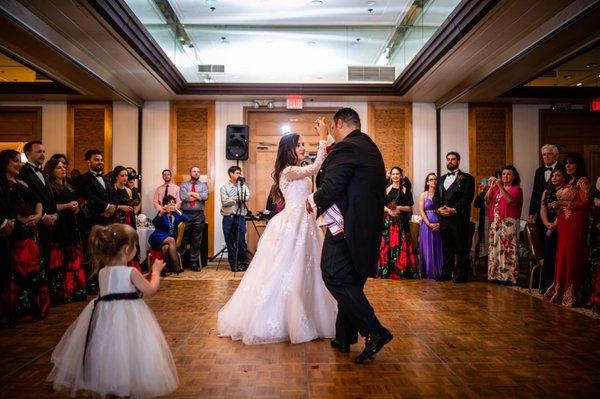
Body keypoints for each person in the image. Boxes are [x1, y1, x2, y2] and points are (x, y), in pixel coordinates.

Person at [218, 121, 336, 345]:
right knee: (288, 267)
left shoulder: (297, 170)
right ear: (289, 149)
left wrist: (327, 137)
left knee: (307, 269)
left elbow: (319, 166)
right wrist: (322, 138)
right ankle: (284, 316)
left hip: (306, 222)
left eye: (304, 144)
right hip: (292, 223)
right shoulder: (289, 170)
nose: (303, 147)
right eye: (299, 144)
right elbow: (314, 168)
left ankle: (309, 312)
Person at [47, 223, 178, 398]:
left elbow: (116, 288)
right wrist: (155, 271)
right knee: (129, 348)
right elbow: (150, 289)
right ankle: (127, 383)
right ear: (126, 250)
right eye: (135, 246)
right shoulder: (131, 271)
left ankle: (109, 381)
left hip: (105, 318)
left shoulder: (103, 272)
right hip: (128, 317)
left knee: (109, 349)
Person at [308, 108, 393, 364]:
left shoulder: (347, 148)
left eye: (334, 128)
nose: (332, 131)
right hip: (366, 228)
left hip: (347, 227)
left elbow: (331, 185)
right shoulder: (368, 146)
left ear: (340, 123)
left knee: (333, 275)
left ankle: (375, 331)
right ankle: (344, 336)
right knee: (351, 280)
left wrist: (312, 201)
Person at [0, 149, 49, 325]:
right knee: (15, 272)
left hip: (29, 232)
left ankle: (30, 309)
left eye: (19, 161)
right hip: (14, 235)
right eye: (15, 161)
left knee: (32, 271)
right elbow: (10, 209)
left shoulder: (21, 183)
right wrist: (21, 219)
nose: (18, 164)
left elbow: (37, 200)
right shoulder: (2, 182)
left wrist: (37, 214)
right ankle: (15, 311)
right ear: (5, 162)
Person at [543, 153, 591, 307]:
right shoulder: (569, 181)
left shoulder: (582, 181)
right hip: (564, 223)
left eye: (571, 163)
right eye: (566, 164)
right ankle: (561, 290)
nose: (568, 166)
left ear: (578, 165)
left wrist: (563, 204)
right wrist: (556, 205)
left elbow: (585, 203)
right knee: (562, 255)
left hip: (575, 222)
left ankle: (573, 293)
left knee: (572, 256)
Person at [45, 158, 86, 303]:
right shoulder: (49, 186)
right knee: (60, 259)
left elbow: (75, 203)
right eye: (58, 168)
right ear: (51, 171)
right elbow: (49, 208)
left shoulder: (69, 185)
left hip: (71, 223)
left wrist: (76, 207)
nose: (63, 170)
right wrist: (67, 206)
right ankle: (61, 293)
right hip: (57, 224)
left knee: (73, 258)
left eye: (64, 167)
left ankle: (75, 290)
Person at [19, 141, 58, 286]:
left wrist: (55, 214)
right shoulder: (23, 172)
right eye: (38, 152)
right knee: (37, 261)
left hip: (50, 222)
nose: (42, 154)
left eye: (43, 151)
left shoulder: (43, 172)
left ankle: (45, 295)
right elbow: (27, 200)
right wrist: (42, 216)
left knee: (47, 258)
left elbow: (50, 196)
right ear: (28, 154)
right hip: (35, 223)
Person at [433, 152, 475, 283]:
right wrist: (438, 208)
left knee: (461, 247)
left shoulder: (467, 178)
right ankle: (446, 273)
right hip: (443, 218)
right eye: (448, 159)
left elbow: (467, 198)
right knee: (446, 247)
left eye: (453, 159)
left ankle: (462, 275)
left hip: (458, 218)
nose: (450, 161)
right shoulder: (441, 178)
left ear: (458, 161)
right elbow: (435, 197)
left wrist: (453, 209)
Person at [377, 166, 418, 279]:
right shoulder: (386, 189)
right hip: (388, 222)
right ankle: (387, 271)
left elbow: (409, 208)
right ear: (390, 176)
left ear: (401, 176)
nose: (395, 176)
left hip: (401, 222)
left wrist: (399, 207)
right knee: (387, 245)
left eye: (397, 174)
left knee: (401, 245)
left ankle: (401, 270)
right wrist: (389, 210)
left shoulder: (406, 190)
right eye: (393, 174)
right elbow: (380, 206)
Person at [485, 165, 524, 284]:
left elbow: (510, 201)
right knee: (495, 248)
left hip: (508, 222)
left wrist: (501, 187)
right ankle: (495, 275)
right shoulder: (496, 189)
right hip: (495, 222)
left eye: (508, 174)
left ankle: (508, 276)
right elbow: (487, 200)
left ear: (513, 177)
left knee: (507, 248)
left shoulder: (516, 189)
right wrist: (491, 187)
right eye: (503, 174)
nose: (505, 176)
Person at [539, 166, 567, 293]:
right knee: (548, 255)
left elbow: (562, 211)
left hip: (561, 224)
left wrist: (553, 226)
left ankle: (558, 285)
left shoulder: (566, 191)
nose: (554, 178)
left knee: (558, 255)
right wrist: (546, 223)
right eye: (553, 176)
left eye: (558, 176)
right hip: (548, 222)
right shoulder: (547, 192)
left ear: (564, 177)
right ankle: (547, 286)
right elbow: (543, 208)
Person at [219, 165, 250, 272]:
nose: (239, 175)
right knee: (230, 242)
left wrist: (233, 198)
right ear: (231, 174)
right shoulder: (224, 187)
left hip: (240, 217)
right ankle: (234, 265)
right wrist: (237, 199)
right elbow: (225, 201)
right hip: (228, 217)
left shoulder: (243, 186)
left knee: (241, 241)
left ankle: (244, 264)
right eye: (237, 173)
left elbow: (246, 198)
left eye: (240, 173)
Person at [112, 165, 142, 272]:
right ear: (116, 177)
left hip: (128, 219)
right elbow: (110, 205)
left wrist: (131, 208)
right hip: (116, 219)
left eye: (126, 175)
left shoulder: (129, 191)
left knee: (129, 242)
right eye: (122, 175)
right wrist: (121, 207)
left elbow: (133, 204)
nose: (125, 178)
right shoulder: (112, 188)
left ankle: (128, 268)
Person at [180, 166, 209, 271]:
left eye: (198, 171)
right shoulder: (184, 184)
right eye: (194, 171)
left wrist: (191, 193)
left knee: (196, 239)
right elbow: (183, 197)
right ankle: (180, 261)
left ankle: (193, 262)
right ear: (190, 173)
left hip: (199, 215)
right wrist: (198, 196)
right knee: (183, 238)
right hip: (185, 214)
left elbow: (205, 197)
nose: (196, 173)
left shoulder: (204, 185)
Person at [148, 195, 186, 273]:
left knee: (166, 247)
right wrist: (162, 212)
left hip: (167, 239)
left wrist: (177, 210)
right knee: (171, 240)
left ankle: (162, 268)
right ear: (165, 205)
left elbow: (186, 218)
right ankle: (175, 265)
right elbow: (154, 223)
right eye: (169, 203)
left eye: (173, 202)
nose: (172, 204)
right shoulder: (162, 214)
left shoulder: (176, 215)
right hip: (157, 236)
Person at [528, 144, 561, 225]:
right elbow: (535, 192)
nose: (546, 156)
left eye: (549, 154)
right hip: (540, 210)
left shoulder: (562, 169)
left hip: (557, 210)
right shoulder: (539, 171)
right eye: (544, 154)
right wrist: (532, 212)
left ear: (556, 155)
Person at [419, 173, 443, 279]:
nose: (433, 181)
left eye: (435, 179)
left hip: (439, 224)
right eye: (431, 179)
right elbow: (421, 210)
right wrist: (428, 224)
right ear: (427, 182)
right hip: (426, 225)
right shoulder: (423, 195)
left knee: (439, 248)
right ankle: (428, 272)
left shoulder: (441, 194)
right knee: (427, 248)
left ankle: (440, 272)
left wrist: (440, 224)